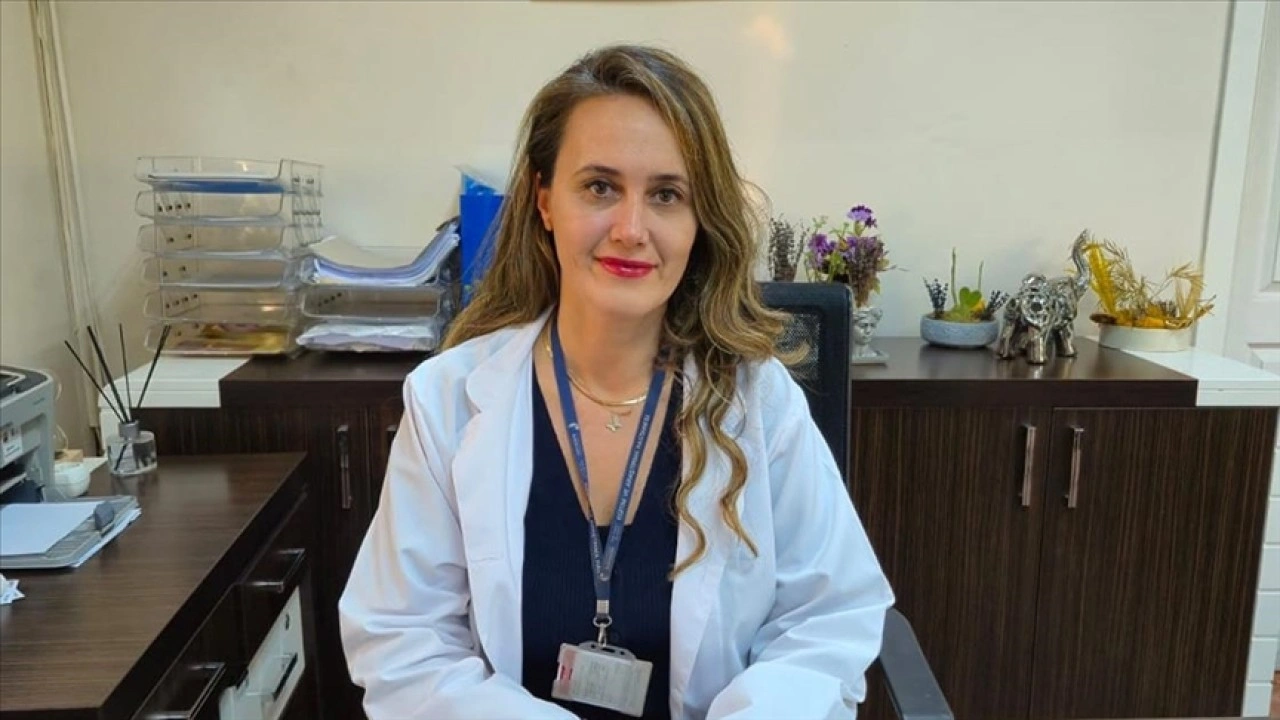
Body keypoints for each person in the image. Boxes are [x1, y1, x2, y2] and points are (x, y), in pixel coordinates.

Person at [339, 44, 894, 720]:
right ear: (545, 200)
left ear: (699, 221)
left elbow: (828, 620)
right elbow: (403, 641)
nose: (632, 230)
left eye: (666, 195)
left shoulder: (759, 401)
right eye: (600, 187)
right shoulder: (448, 402)